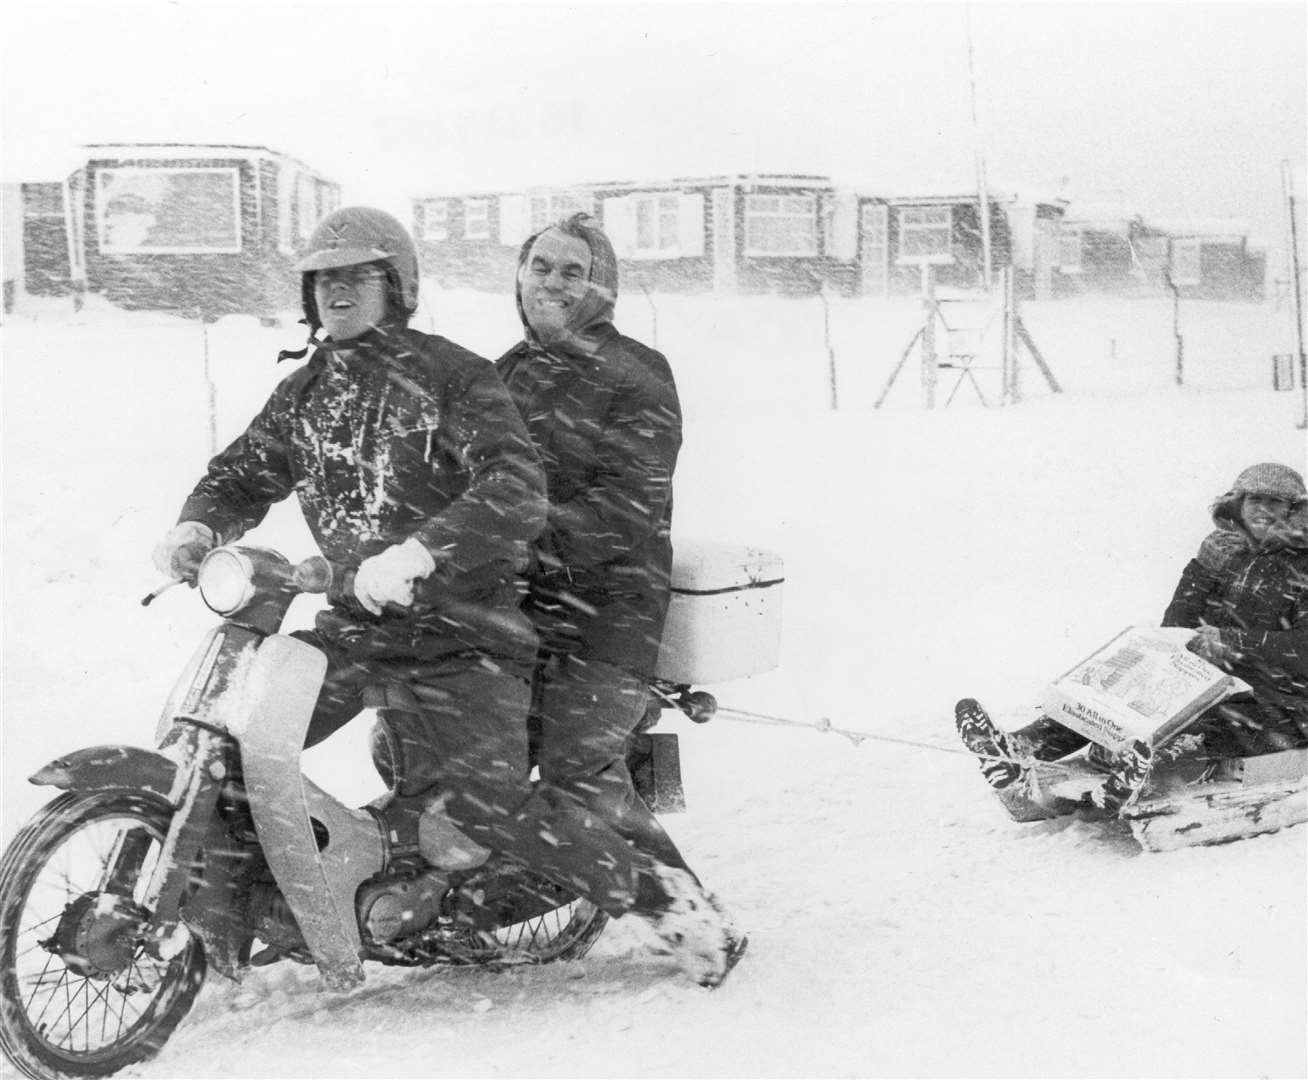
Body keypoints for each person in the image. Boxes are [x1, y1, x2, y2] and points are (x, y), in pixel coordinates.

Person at [150, 206, 739, 986]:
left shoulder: (467, 374)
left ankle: (678, 910)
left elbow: (523, 491)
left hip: (497, 624)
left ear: (396, 285)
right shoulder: (319, 389)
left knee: (525, 798)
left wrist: (425, 551)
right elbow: (246, 469)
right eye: (324, 278)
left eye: (358, 276)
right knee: (240, 734)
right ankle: (288, 895)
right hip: (370, 619)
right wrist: (198, 525)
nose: (338, 292)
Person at [495, 212, 745, 959]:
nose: (554, 283)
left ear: (602, 285)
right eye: (542, 266)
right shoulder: (503, 371)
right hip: (510, 610)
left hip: (607, 615)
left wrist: (526, 539)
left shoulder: (636, 371)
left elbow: (627, 506)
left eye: (574, 271)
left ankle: (696, 922)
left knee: (582, 774)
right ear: (519, 274)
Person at [954, 461, 1308, 813]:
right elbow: (1176, 625)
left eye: (1275, 502)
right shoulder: (1226, 553)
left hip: (1281, 703)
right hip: (1218, 680)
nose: (1263, 509)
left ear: (1295, 511)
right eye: (1254, 500)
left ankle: (1140, 774)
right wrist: (1201, 571)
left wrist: (1233, 642)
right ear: (1237, 504)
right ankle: (1020, 748)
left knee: (1207, 718)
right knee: (1127, 689)